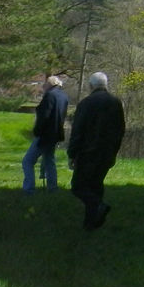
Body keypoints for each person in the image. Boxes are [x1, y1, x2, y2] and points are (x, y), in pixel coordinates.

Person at [67, 71, 126, 231]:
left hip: (88, 152)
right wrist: (114, 151)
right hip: (107, 152)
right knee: (96, 185)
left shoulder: (86, 103)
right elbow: (121, 130)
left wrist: (72, 153)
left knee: (78, 186)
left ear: (91, 86)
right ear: (105, 85)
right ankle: (91, 222)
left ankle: (98, 207)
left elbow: (78, 130)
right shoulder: (116, 103)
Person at [22, 75, 69, 193]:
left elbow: (44, 116)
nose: (44, 87)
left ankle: (29, 188)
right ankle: (52, 187)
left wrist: (37, 131)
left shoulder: (50, 95)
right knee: (49, 160)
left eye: (45, 85)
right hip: (56, 134)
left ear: (50, 84)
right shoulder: (64, 97)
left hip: (45, 135)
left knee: (28, 161)